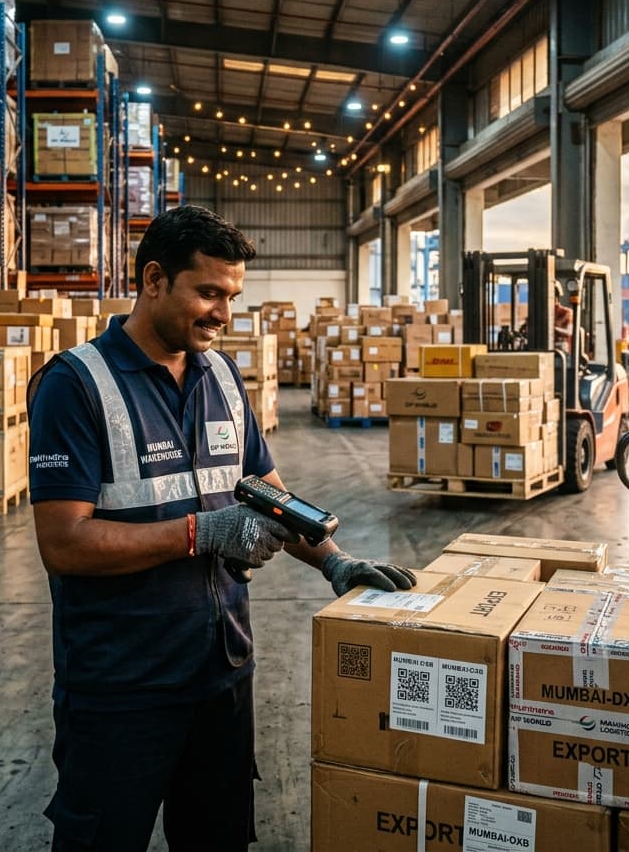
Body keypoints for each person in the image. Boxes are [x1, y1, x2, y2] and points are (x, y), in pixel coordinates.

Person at [27, 204, 416, 852]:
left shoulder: (223, 379)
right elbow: (64, 543)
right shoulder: (77, 386)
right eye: (208, 292)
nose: (224, 314)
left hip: (222, 673)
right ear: (154, 280)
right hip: (122, 687)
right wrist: (204, 533)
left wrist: (333, 560)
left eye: (231, 296)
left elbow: (268, 493)